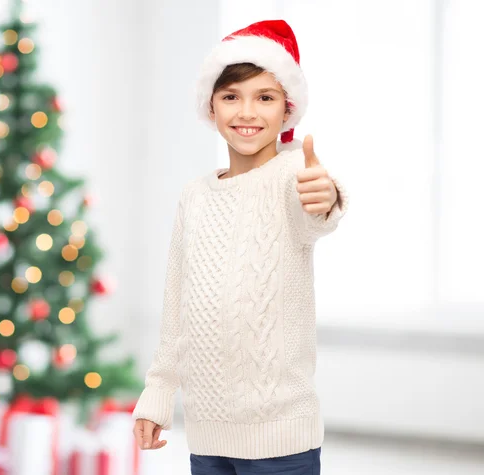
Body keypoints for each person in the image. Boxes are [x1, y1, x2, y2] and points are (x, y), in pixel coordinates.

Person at [132, 19, 349, 475]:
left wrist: (325, 197)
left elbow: (318, 211)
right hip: (209, 433)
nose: (246, 112)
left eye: (264, 98)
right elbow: (177, 308)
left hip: (282, 436)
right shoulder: (194, 196)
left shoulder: (294, 178)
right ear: (210, 107)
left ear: (287, 110)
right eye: (231, 96)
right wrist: (157, 394)